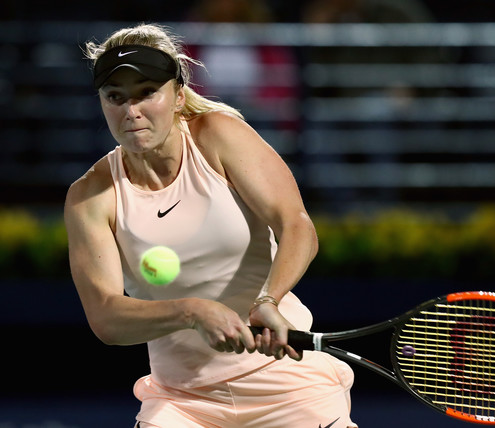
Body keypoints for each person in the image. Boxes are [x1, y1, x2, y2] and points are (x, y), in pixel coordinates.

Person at [64, 23, 356, 428]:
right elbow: (107, 319)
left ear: (178, 96)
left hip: (285, 382)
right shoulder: (90, 196)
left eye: (147, 93)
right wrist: (192, 311)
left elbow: (296, 225)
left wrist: (268, 301)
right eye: (116, 97)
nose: (131, 112)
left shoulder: (219, 136)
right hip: (181, 399)